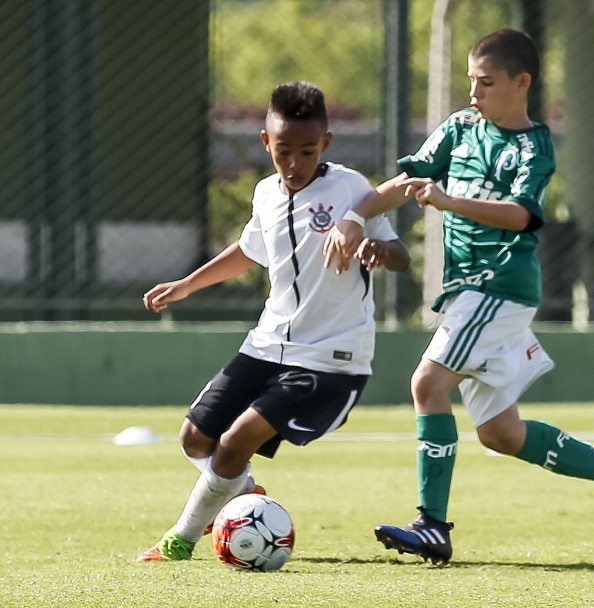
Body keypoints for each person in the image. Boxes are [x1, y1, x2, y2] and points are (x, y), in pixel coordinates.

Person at [322, 29, 594, 566]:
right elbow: (410, 179)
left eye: (486, 82)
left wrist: (451, 201)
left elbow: (522, 215)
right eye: (471, 82)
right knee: (500, 433)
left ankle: (432, 525)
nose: (474, 93)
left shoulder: (534, 145)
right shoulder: (460, 128)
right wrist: (356, 216)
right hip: (468, 293)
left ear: (521, 83)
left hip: (499, 285)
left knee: (427, 383)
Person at [136, 81, 410, 562]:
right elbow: (248, 251)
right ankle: (246, 496)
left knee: (236, 440)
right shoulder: (265, 193)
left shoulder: (350, 189)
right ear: (267, 143)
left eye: (307, 151)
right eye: (284, 150)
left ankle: (180, 540)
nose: (295, 162)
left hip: (330, 358)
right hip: (267, 344)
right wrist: (185, 285)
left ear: (325, 144)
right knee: (195, 438)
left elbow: (402, 255)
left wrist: (380, 250)